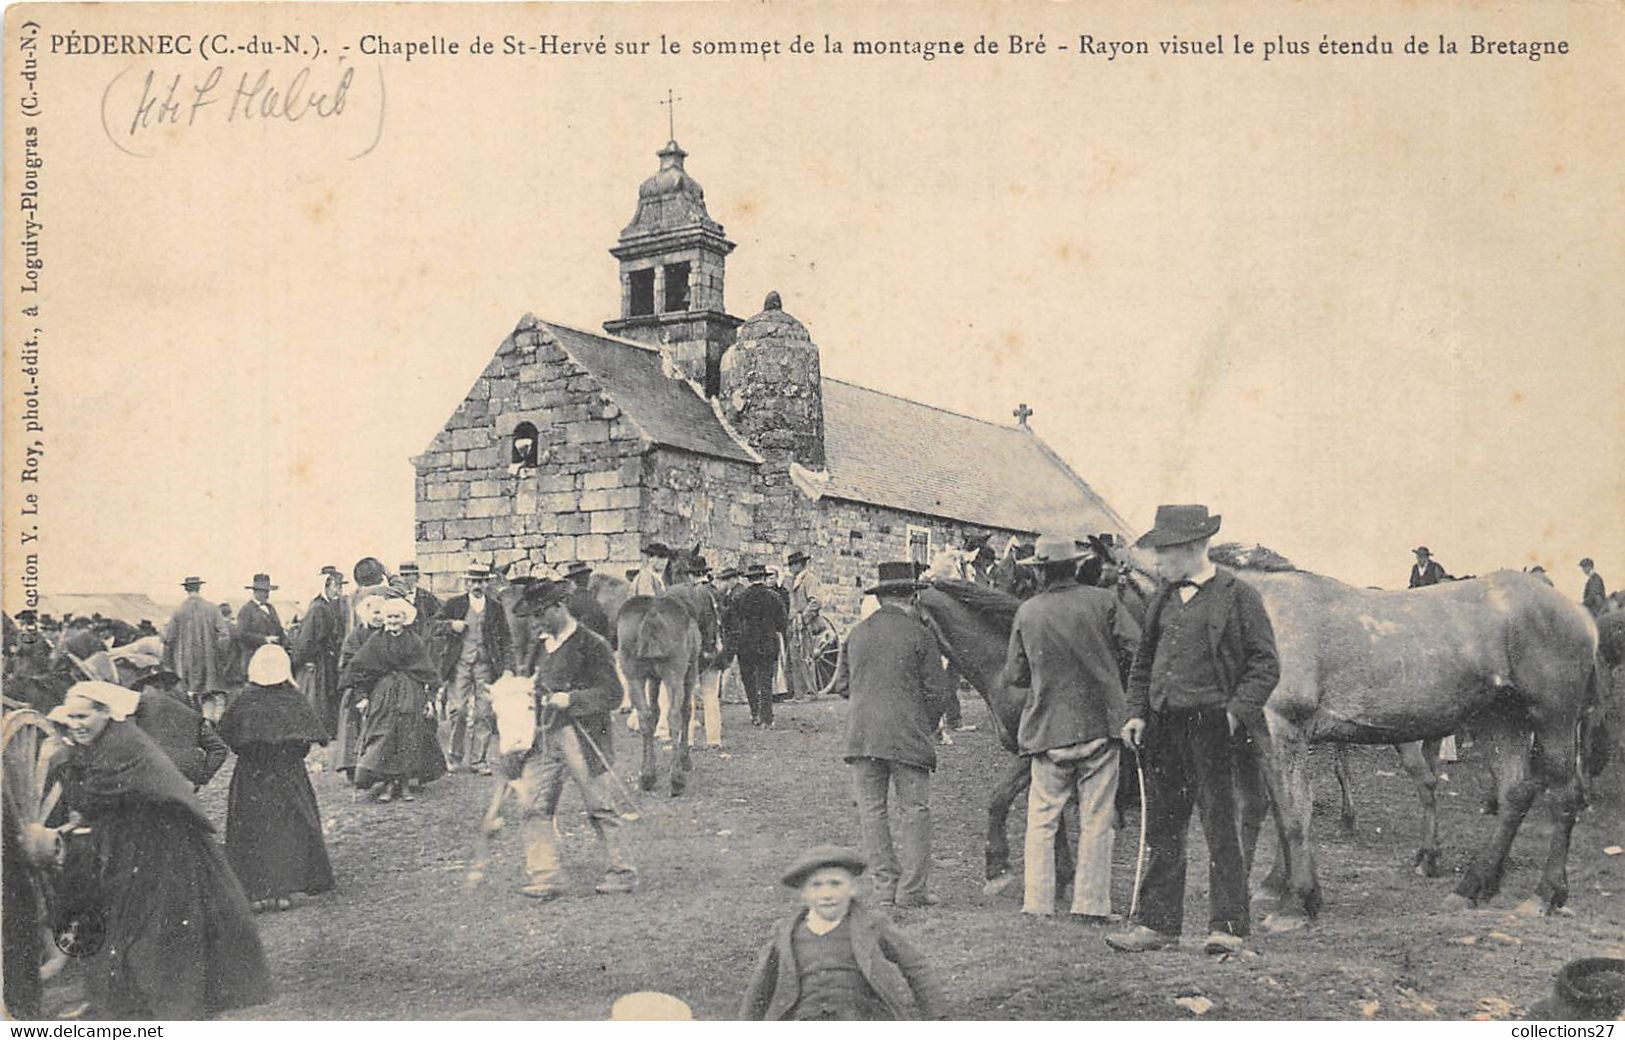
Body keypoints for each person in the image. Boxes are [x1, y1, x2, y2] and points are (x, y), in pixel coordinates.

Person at [1108, 504, 1280, 956]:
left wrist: (1232, 715)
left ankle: (1228, 928)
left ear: (1189, 548)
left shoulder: (1238, 596)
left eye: (1163, 552)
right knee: (1164, 828)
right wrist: (1136, 713)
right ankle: (1156, 926)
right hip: (1163, 726)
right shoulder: (1163, 598)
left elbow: (1265, 665)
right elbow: (1144, 662)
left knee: (1221, 827)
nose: (1158, 562)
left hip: (1215, 729)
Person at [49, 681, 271, 1019]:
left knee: (157, 925)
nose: (77, 724)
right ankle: (123, 1000)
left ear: (106, 713)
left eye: (84, 716)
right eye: (71, 718)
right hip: (131, 841)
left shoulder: (122, 745)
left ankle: (169, 1005)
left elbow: (92, 795)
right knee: (124, 920)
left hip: (162, 846)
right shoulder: (100, 743)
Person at [1004, 534, 1140, 921]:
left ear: (1041, 571)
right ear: (1078, 566)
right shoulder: (1104, 602)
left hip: (1047, 730)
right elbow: (1137, 648)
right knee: (1097, 819)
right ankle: (1091, 905)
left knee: (1041, 821)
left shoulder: (1027, 612)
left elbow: (1015, 675)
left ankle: (1037, 903)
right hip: (1100, 726)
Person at [830, 563, 951, 909]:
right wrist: (924, 724)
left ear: (881, 596)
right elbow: (938, 691)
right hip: (908, 737)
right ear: (911, 597)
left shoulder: (856, 633)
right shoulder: (921, 635)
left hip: (862, 736)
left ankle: (885, 887)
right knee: (914, 810)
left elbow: (842, 686)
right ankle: (912, 890)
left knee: (873, 812)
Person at [506, 579, 636, 899]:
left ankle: (622, 872)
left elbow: (613, 694)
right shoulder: (540, 645)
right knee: (533, 803)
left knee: (600, 806)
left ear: (558, 607)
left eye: (539, 615)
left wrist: (572, 700)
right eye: (532, 617)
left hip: (583, 737)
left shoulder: (592, 645)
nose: (534, 623)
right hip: (545, 738)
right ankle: (545, 876)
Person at [741, 845, 945, 1020]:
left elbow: (915, 966)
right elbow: (762, 984)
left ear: (853, 889)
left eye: (836, 884)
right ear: (804, 894)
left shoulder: (872, 924)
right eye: (816, 885)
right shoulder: (786, 932)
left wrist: (938, 1018)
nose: (827, 894)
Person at [217, 646, 335, 912]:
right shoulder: (292, 698)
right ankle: (284, 889)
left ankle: (257, 892)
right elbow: (305, 740)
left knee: (252, 828)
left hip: (251, 776)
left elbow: (228, 735)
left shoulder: (245, 698)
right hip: (288, 774)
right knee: (287, 829)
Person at [341, 598, 448, 802]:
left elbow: (426, 670)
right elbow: (361, 669)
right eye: (389, 616)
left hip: (410, 692)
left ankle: (406, 784)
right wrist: (362, 697)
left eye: (396, 617)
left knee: (409, 735)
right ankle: (389, 784)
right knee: (386, 734)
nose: (392, 621)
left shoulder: (414, 640)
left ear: (404, 619)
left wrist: (429, 700)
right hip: (384, 694)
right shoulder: (376, 640)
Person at [433, 563, 511, 775]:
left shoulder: (495, 607)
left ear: (488, 583)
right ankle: (455, 757)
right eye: (474, 581)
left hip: (486, 666)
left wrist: (507, 667)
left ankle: (478, 760)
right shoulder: (454, 604)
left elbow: (506, 638)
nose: (478, 585)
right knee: (457, 710)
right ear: (467, 583)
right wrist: (451, 625)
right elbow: (433, 626)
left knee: (484, 713)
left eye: (482, 581)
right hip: (460, 665)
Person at [129, 668, 230, 790]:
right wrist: (203, 775)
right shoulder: (191, 714)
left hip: (150, 774)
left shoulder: (134, 711)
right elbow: (219, 748)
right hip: (186, 776)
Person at [727, 564, 789, 728]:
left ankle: (755, 713)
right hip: (767, 642)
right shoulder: (774, 597)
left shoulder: (739, 598)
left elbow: (731, 622)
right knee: (766, 680)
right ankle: (767, 718)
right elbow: (783, 622)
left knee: (749, 680)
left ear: (749, 579)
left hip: (745, 644)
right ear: (763, 577)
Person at [161, 576, 234, 715]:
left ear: (186, 589)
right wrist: (218, 656)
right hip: (209, 662)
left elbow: (168, 639)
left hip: (186, 663)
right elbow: (224, 635)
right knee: (209, 696)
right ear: (199, 588)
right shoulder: (212, 608)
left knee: (189, 696)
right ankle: (209, 726)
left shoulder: (179, 611)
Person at [293, 566, 348, 738]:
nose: (338, 590)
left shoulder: (331, 606)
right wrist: (306, 659)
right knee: (318, 697)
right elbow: (307, 637)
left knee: (326, 696)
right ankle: (316, 731)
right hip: (317, 660)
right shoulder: (317, 607)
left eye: (340, 586)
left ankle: (325, 730)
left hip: (327, 658)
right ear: (326, 586)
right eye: (335, 586)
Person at [785, 550, 820, 698]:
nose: (790, 568)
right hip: (794, 624)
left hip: (806, 625)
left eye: (792, 565)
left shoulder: (809, 579)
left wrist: (803, 618)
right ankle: (798, 693)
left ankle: (810, 692)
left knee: (806, 657)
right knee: (794, 657)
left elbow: (816, 602)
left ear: (799, 564)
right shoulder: (792, 580)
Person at [236, 574, 287, 664]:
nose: (267, 595)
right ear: (255, 592)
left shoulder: (271, 608)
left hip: (271, 656)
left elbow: (279, 629)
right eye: (263, 592)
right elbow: (241, 634)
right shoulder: (246, 609)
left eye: (268, 592)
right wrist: (264, 639)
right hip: (253, 657)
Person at [562, 561, 612, 641]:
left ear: (573, 580)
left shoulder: (571, 600)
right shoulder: (595, 598)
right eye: (585, 577)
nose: (586, 579)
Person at [397, 561, 443, 642]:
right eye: (402, 575)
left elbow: (438, 618)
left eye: (408, 575)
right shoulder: (396, 598)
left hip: (423, 643)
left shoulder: (427, 597)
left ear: (417, 577)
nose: (404, 579)